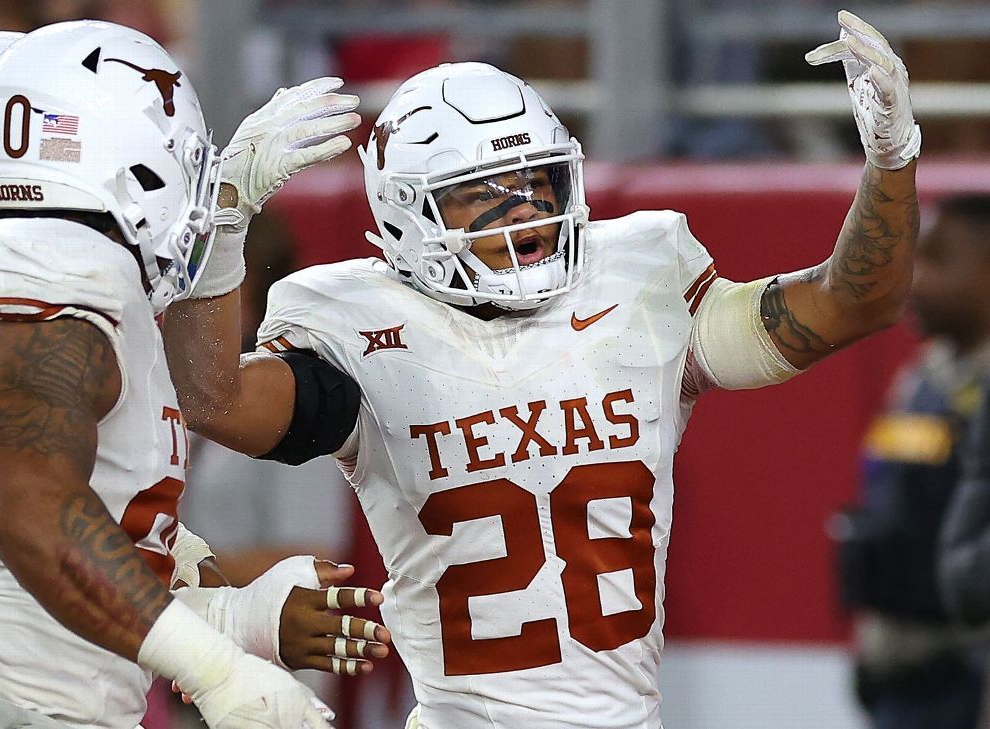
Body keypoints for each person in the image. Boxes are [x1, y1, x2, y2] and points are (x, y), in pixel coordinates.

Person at [162, 10, 921, 729]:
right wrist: (225, 218)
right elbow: (210, 395)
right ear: (404, 213)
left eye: (535, 182)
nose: (522, 210)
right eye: (482, 197)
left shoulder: (640, 282)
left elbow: (848, 303)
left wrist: (891, 162)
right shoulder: (360, 324)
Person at [0, 22, 379, 729]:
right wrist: (216, 664)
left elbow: (25, 552)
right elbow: (29, 503)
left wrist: (231, 614)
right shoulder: (47, 269)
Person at [836, 194, 990, 729]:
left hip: (965, 683)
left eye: (940, 260)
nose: (915, 280)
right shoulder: (923, 378)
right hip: (899, 674)